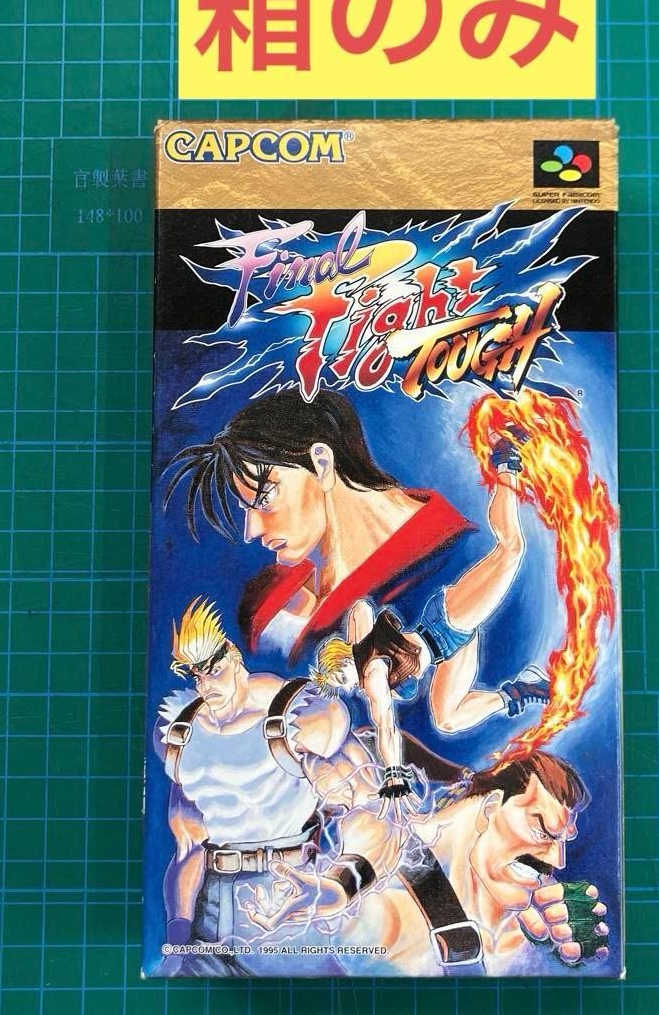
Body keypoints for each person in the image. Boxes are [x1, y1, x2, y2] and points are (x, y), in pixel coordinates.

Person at [151, 596, 399, 977]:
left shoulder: (306, 719)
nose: (205, 684)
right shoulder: (181, 737)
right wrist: (177, 937)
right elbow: (187, 848)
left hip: (286, 903)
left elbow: (374, 811)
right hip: (210, 920)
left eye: (213, 670)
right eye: (196, 675)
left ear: (234, 658)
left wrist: (336, 887)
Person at [307, 432, 549, 800]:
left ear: (344, 660)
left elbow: (386, 725)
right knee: (448, 720)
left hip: (447, 622)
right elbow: (362, 610)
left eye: (341, 678)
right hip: (447, 652)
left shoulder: (372, 674)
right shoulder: (364, 655)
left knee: (511, 550)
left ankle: (506, 462)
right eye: (342, 686)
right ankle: (522, 690)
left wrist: (393, 774)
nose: (348, 687)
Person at [161, 389, 473, 667]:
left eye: (265, 498)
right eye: (246, 509)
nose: (251, 531)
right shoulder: (267, 592)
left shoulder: (456, 565)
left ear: (322, 464)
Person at [248, 751, 609, 975]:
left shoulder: (528, 912)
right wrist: (334, 890)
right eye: (543, 831)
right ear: (489, 807)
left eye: (563, 840)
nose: (558, 859)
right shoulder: (394, 840)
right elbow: (373, 843)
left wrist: (560, 950)